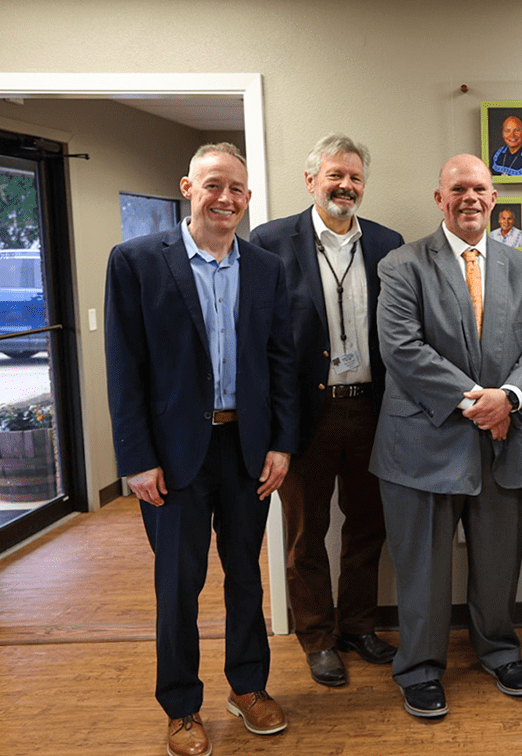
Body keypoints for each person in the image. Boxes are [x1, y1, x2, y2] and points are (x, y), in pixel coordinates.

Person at [105, 143, 297, 756]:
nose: (226, 198)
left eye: (237, 189)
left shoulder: (266, 268)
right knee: (178, 586)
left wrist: (282, 445)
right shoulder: (136, 261)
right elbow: (124, 367)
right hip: (173, 458)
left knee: (246, 579)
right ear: (188, 186)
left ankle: (248, 687)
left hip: (246, 450)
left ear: (247, 197)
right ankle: (182, 708)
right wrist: (136, 458)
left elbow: (281, 363)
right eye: (214, 185)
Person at [370, 154, 522, 719]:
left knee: (500, 562)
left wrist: (512, 399)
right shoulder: (402, 265)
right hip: (422, 444)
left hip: (507, 440)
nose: (469, 198)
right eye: (458, 189)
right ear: (439, 198)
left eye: (479, 188)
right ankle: (420, 667)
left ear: (494, 197)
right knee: (421, 568)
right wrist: (481, 402)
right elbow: (401, 349)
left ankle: (498, 650)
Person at [248, 133, 404, 688]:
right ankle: (316, 638)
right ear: (311, 180)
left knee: (368, 527)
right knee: (304, 535)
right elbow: (259, 338)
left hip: (372, 410)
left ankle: (359, 627)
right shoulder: (269, 242)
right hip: (303, 416)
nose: (346, 186)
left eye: (355, 178)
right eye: (335, 176)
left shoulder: (388, 243)